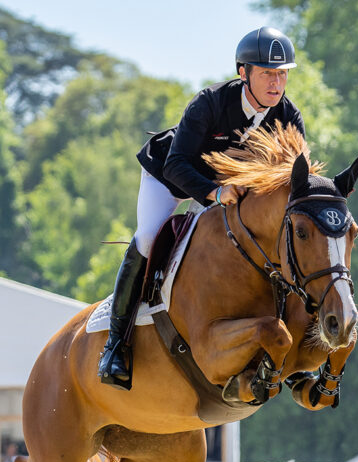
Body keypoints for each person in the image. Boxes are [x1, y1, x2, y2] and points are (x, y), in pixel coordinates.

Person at [98, 27, 306, 387]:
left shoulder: (288, 116)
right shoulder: (209, 103)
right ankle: (116, 346)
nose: (276, 83)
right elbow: (175, 165)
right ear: (243, 73)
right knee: (148, 238)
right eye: (267, 73)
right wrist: (214, 192)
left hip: (231, 193)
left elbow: (295, 180)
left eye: (282, 73)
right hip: (172, 178)